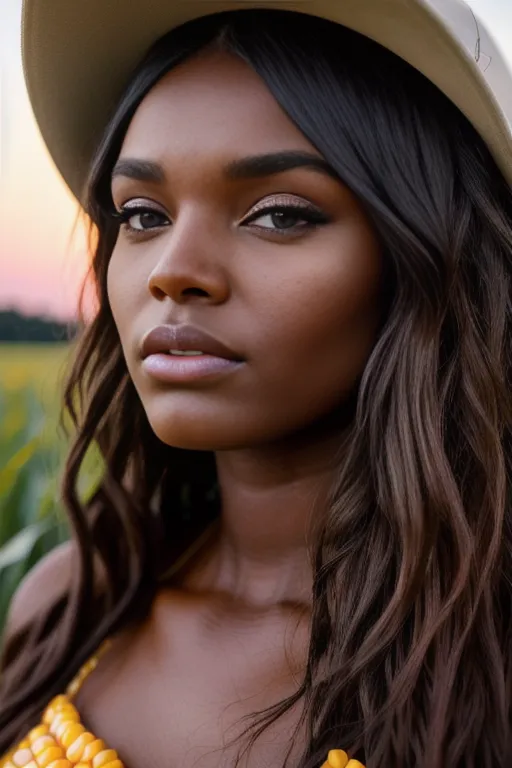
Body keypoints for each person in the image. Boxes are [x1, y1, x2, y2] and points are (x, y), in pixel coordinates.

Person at [1, 1, 511, 766]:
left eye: (279, 216)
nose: (174, 268)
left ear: (426, 261)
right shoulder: (70, 604)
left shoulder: (489, 656)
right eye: (142, 215)